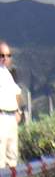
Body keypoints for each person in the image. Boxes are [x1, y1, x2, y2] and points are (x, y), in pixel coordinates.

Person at [0, 40, 22, 170]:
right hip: (1, 117)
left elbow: (17, 93)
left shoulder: (9, 73)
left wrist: (18, 111)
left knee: (12, 157)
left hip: (11, 118)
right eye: (2, 55)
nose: (5, 58)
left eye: (8, 55)